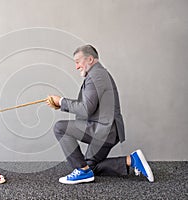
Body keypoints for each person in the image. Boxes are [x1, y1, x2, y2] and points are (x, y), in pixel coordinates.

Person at [47, 44, 154, 184]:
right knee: (91, 166)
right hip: (109, 130)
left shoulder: (96, 75)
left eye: (78, 62)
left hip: (105, 130)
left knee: (60, 128)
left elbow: (86, 109)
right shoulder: (98, 74)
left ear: (90, 59)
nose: (76, 67)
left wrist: (61, 101)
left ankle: (82, 171)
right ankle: (131, 160)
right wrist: (61, 104)